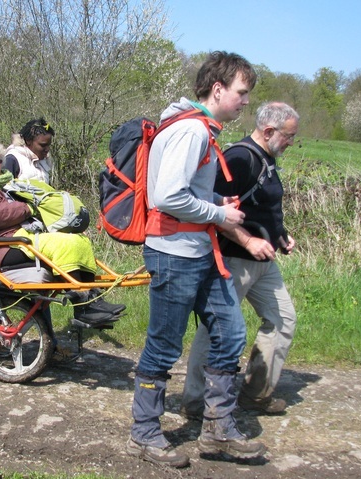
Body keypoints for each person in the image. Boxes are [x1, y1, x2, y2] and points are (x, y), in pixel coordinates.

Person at [126, 51, 265, 469]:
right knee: (164, 345)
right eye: (242, 93)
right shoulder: (191, 131)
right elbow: (168, 197)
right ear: (218, 89)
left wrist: (213, 200)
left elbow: (184, 192)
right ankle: (144, 432)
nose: (245, 102)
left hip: (201, 253)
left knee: (230, 332)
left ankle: (217, 428)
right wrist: (220, 214)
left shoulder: (199, 129)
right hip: (174, 255)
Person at [181, 102, 299, 418]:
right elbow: (212, 210)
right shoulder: (239, 158)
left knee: (283, 319)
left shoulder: (268, 160)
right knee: (216, 329)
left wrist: (280, 235)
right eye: (288, 136)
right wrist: (247, 240)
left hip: (264, 262)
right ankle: (195, 399)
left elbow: (262, 207)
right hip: (232, 260)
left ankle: (254, 394)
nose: (290, 142)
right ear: (269, 131)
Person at [0, 139, 124, 326]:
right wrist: (27, 208)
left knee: (79, 240)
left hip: (15, 238)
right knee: (65, 244)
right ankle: (83, 306)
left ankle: (92, 300)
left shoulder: (0, 184)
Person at [5, 118, 54, 183]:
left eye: (49, 145)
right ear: (28, 141)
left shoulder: (43, 161)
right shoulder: (12, 159)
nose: (47, 149)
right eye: (43, 145)